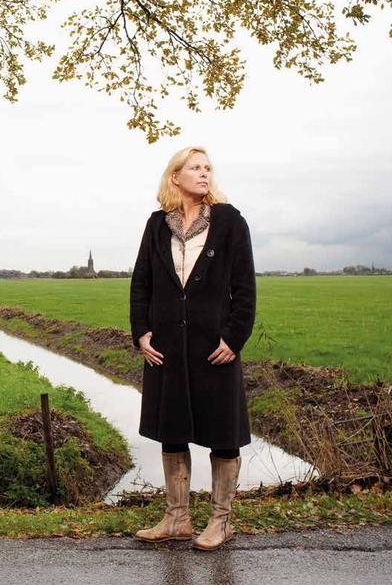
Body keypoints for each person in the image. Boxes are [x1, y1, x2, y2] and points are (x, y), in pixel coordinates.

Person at [129, 146, 256, 551]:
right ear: (175, 177)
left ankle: (221, 520)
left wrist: (234, 338)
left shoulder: (229, 221)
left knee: (223, 431)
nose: (203, 174)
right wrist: (142, 332)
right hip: (166, 345)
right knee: (172, 427)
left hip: (213, 346)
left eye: (207, 168)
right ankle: (177, 518)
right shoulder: (156, 225)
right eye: (194, 168)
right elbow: (141, 284)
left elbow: (244, 288)